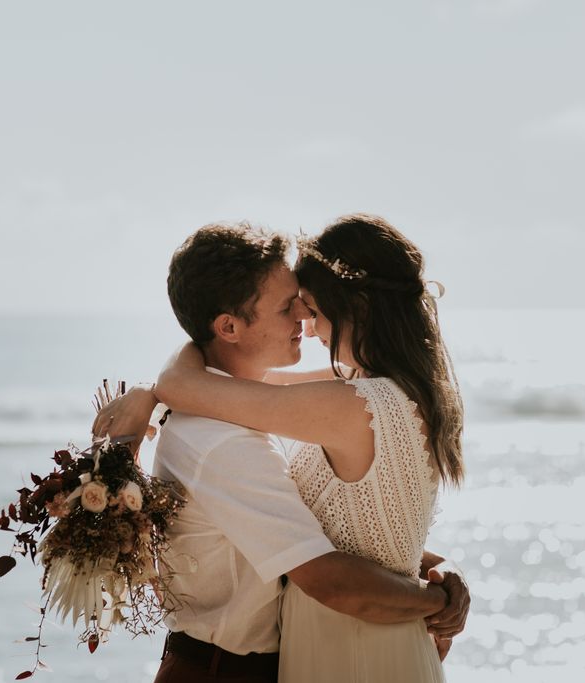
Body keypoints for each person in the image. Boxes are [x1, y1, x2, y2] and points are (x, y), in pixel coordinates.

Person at [93, 222, 467, 683]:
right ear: (228, 326)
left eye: (308, 304)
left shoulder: (344, 401)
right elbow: (330, 562)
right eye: (289, 306)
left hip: (339, 649)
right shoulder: (230, 434)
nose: (305, 322)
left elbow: (344, 536)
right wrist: (437, 595)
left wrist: (436, 579)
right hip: (232, 669)